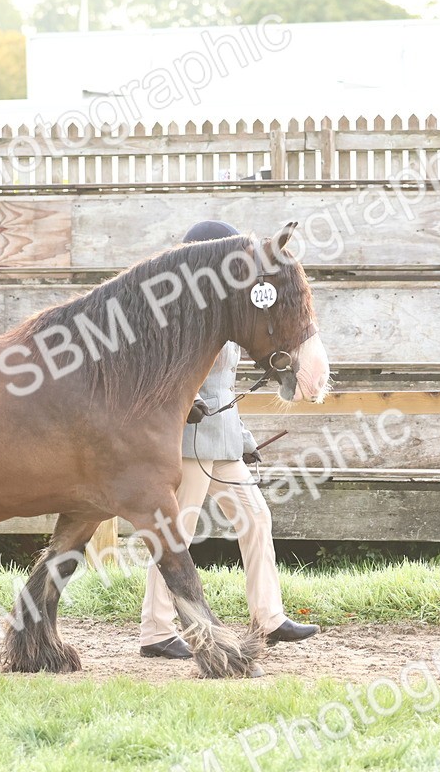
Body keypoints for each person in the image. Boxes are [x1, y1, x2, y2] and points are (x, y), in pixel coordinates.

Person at [138, 220, 320, 660]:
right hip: (191, 443)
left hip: (223, 445)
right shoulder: (178, 319)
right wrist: (191, 401)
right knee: (176, 535)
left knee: (256, 519)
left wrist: (244, 439)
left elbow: (225, 391)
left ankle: (269, 617)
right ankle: (156, 630)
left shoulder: (227, 314)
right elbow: (171, 378)